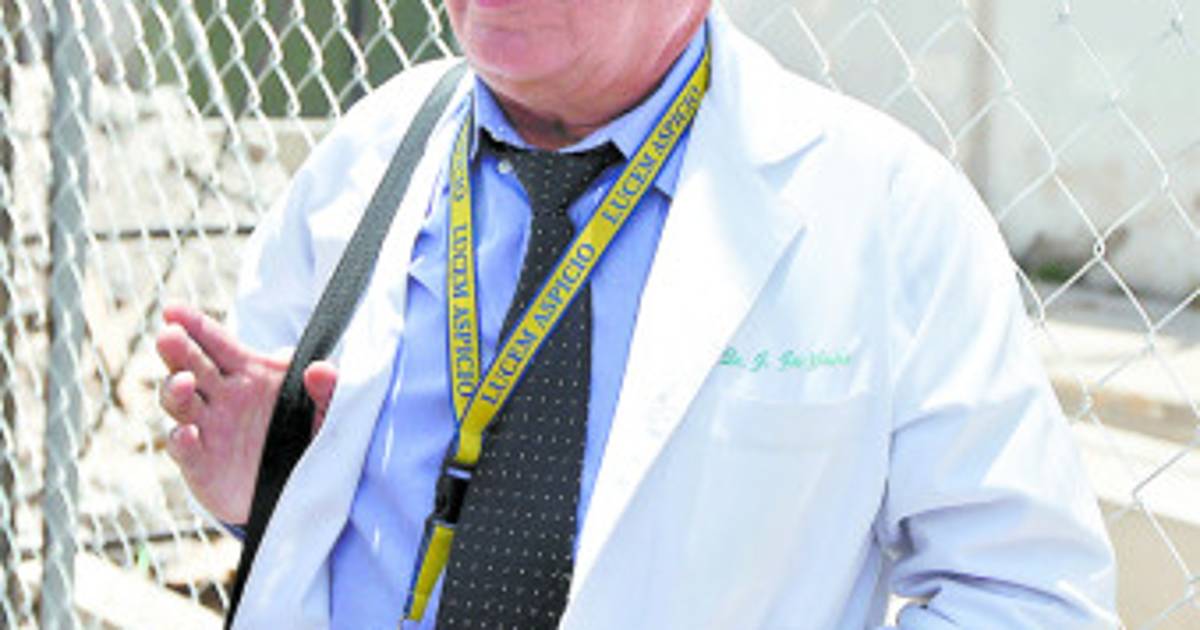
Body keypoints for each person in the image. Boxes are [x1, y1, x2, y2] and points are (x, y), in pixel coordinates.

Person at [156, 1, 1118, 628]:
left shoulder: (887, 215)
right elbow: (315, 531)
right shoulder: (365, 158)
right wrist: (267, 490)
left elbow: (1026, 593)